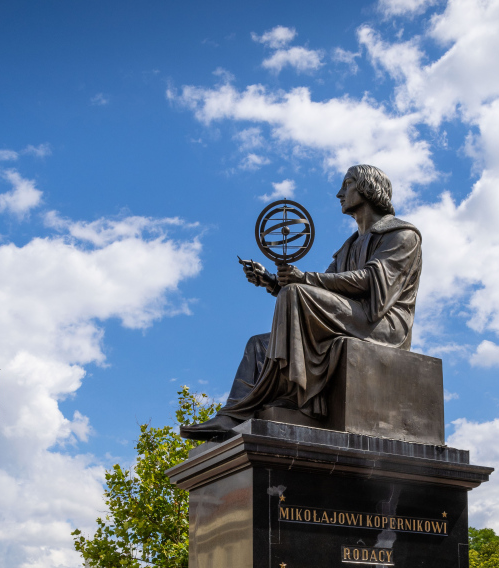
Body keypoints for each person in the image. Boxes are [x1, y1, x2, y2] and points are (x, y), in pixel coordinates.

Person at [180, 164, 422, 441]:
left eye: (347, 184)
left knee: (295, 293)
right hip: (352, 318)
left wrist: (300, 279)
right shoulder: (349, 246)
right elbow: (325, 289)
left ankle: (298, 399)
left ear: (368, 188)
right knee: (258, 345)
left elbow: (368, 280)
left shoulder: (402, 234)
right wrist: (272, 282)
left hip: (382, 323)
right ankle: (233, 415)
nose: (339, 194)